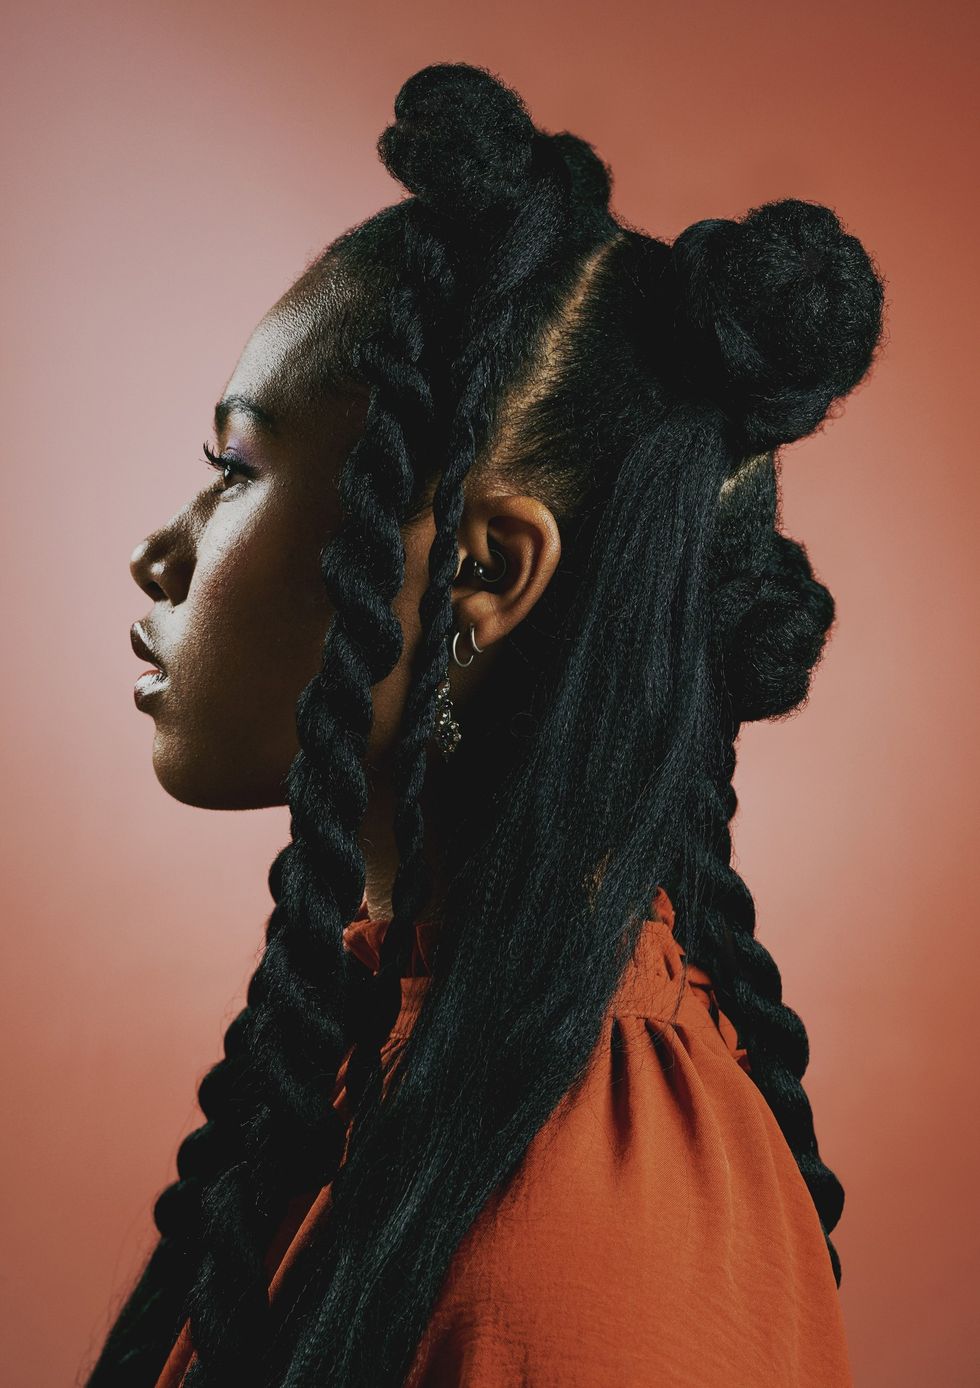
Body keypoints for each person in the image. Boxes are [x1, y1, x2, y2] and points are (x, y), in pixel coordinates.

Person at [87, 60, 885, 1388]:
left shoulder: (596, 1242)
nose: (156, 553)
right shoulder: (393, 1039)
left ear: (483, 574)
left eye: (233, 470)